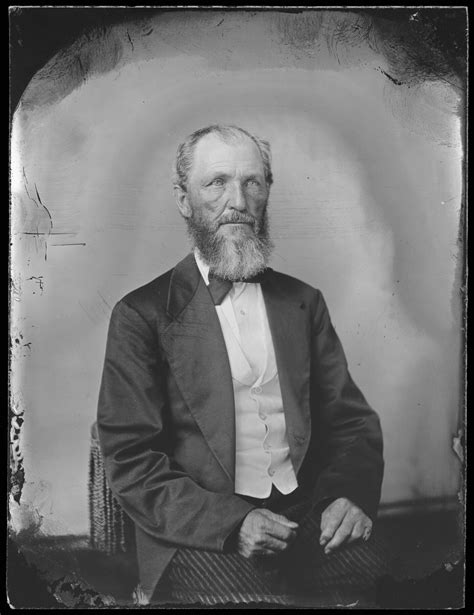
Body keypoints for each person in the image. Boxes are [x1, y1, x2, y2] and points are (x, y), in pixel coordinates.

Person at [97, 124, 389, 606]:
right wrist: (233, 523)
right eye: (217, 183)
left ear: (267, 193)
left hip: (306, 512)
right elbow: (129, 458)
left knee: (389, 584)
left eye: (252, 182)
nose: (238, 200)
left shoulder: (303, 301)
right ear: (183, 199)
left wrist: (351, 494)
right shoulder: (140, 314)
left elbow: (351, 421)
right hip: (200, 529)